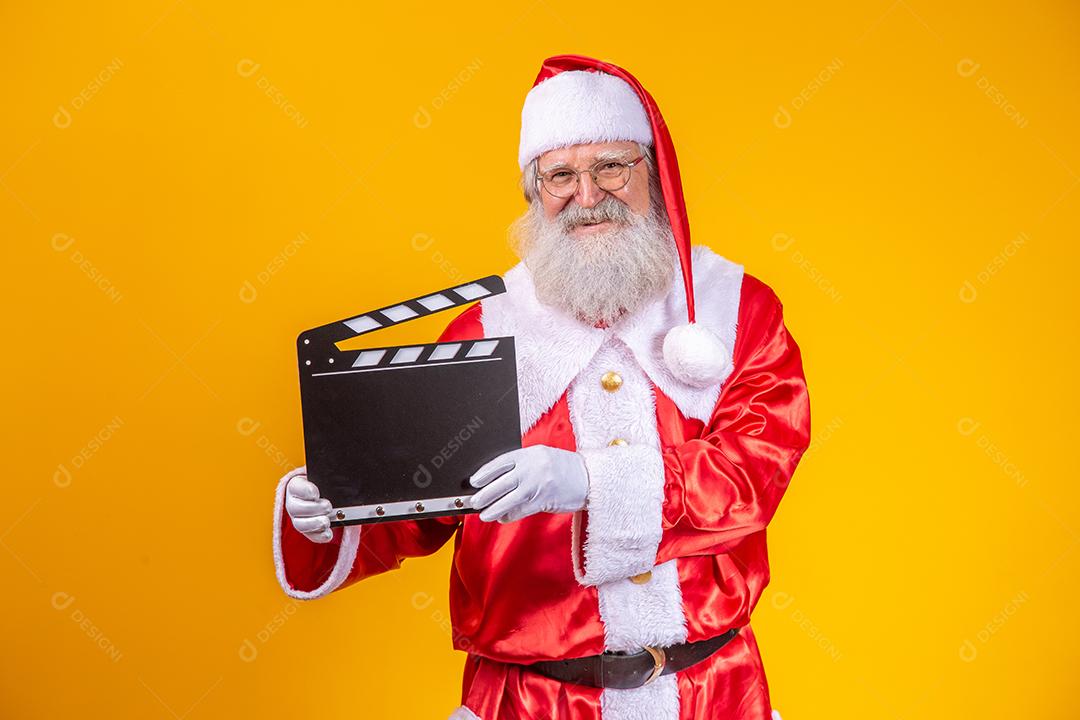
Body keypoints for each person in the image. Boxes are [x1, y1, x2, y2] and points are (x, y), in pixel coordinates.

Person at [273, 54, 811, 720]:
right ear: (534, 193)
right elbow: (417, 500)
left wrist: (590, 479)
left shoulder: (737, 311)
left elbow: (751, 476)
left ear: (655, 173)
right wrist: (331, 503)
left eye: (611, 165)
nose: (588, 196)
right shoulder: (485, 327)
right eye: (560, 175)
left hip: (710, 694)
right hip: (529, 703)